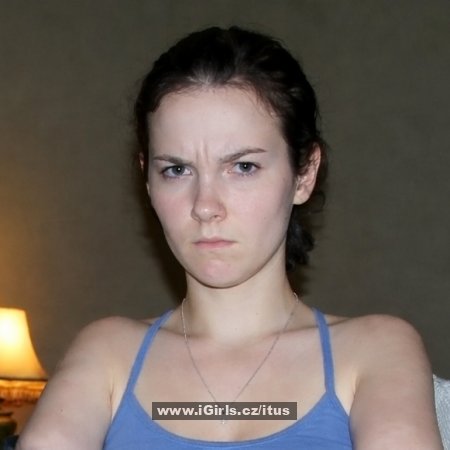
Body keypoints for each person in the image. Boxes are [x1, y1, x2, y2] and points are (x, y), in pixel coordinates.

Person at [17, 26, 443, 450]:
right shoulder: (108, 352)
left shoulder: (375, 349)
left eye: (243, 167)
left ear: (304, 174)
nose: (205, 206)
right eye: (176, 170)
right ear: (147, 179)